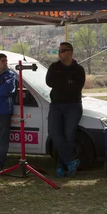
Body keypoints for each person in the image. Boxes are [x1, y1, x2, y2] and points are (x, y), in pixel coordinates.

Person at [46, 42, 86, 178]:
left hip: (73, 106)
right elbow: (50, 82)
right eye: (59, 50)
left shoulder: (79, 69)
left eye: (63, 50)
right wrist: (67, 81)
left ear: (70, 52)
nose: (60, 53)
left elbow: (76, 87)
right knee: (54, 134)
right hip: (56, 106)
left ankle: (61, 167)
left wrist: (62, 83)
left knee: (69, 137)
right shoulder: (54, 67)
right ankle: (71, 161)